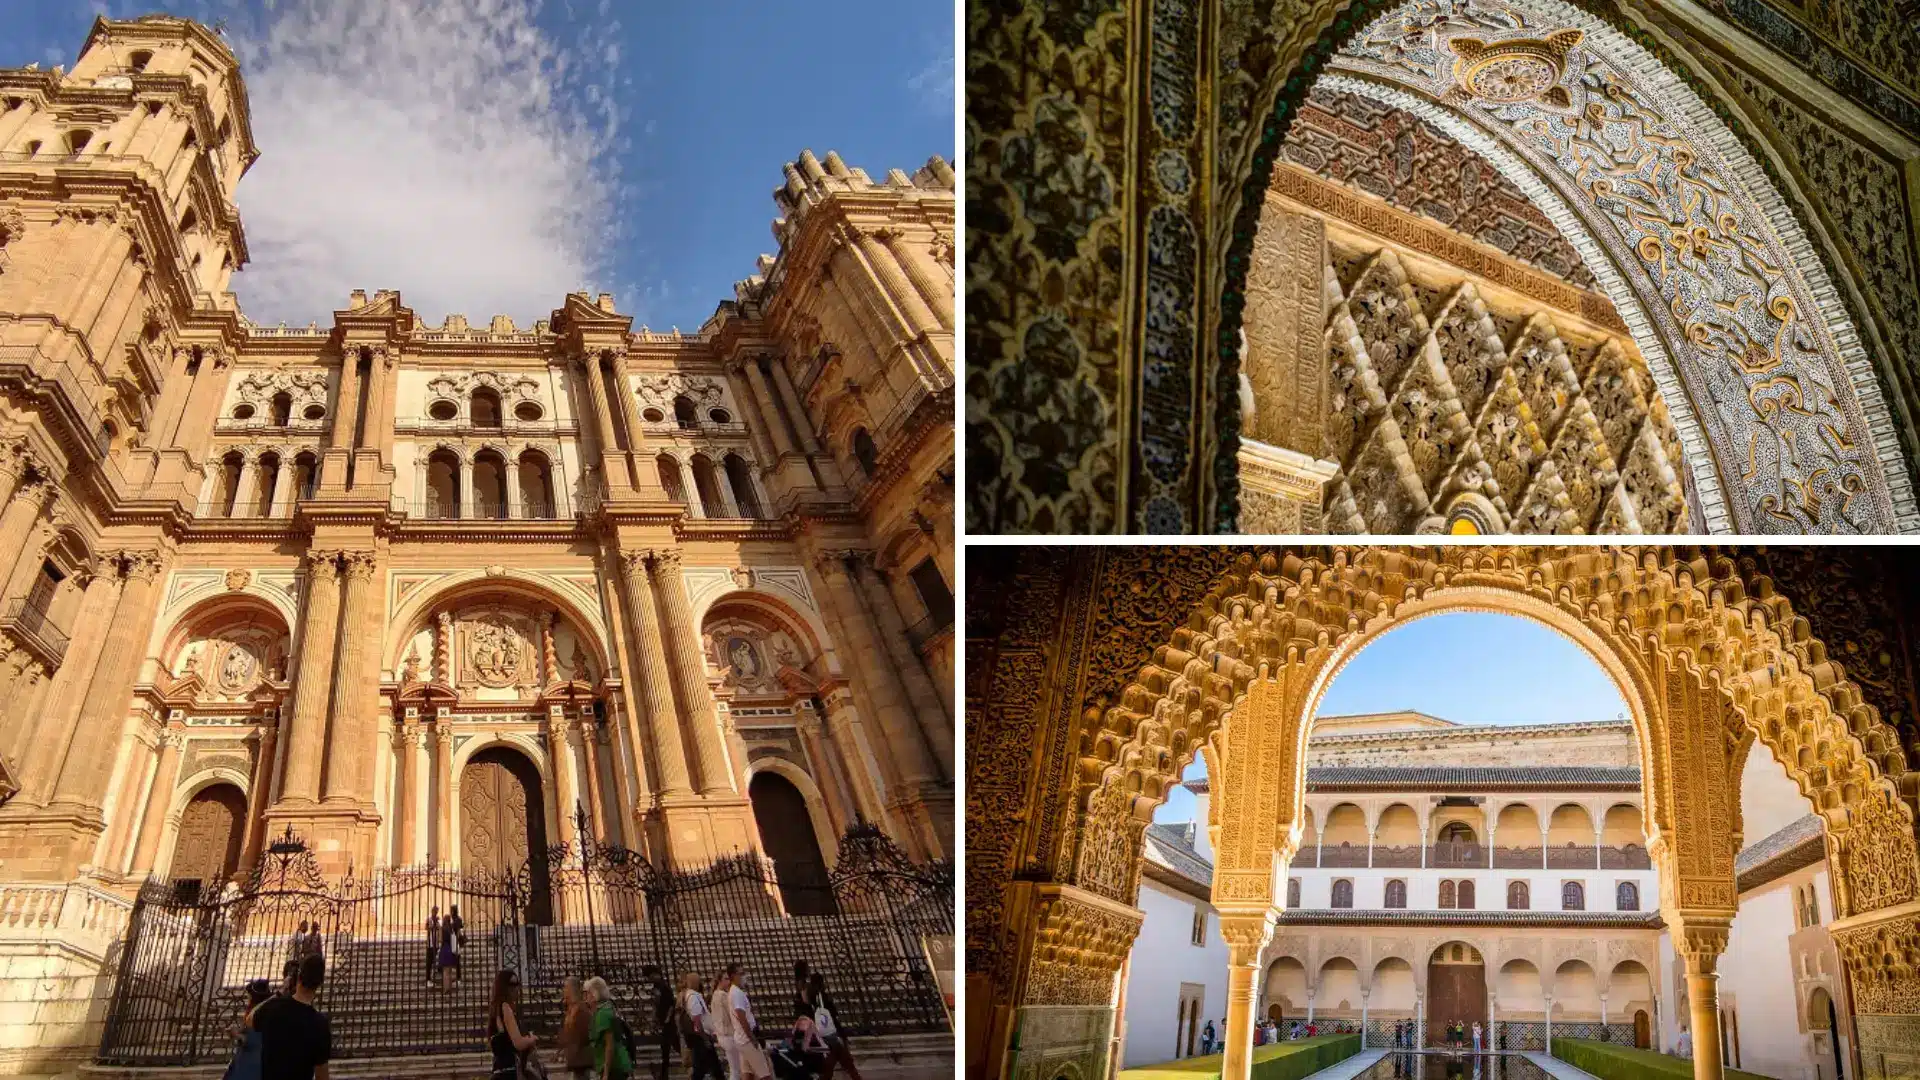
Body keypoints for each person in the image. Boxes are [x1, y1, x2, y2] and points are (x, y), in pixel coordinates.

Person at [252, 952, 331, 1080]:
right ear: (319, 984)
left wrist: (280, 991)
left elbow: (250, 1018)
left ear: (298, 977)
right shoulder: (320, 1024)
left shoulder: (273, 1007)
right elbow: (322, 1076)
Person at [802, 972, 859, 1080]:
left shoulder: (811, 998)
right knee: (847, 1065)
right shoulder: (822, 997)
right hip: (831, 1036)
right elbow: (833, 1017)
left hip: (822, 1037)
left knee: (831, 1067)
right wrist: (842, 1034)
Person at [488, 969, 541, 1080]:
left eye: (517, 984)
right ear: (503, 987)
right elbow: (518, 1043)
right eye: (512, 985)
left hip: (499, 1071)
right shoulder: (505, 1008)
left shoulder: (495, 1010)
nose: (516, 988)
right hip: (509, 1071)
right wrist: (531, 1039)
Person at [725, 963, 773, 1080]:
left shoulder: (734, 992)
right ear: (733, 976)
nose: (743, 976)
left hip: (741, 1039)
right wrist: (752, 1038)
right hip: (747, 1040)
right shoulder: (736, 993)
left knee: (748, 1074)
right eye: (740, 974)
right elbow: (742, 1017)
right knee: (764, 1073)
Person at [222, 979, 272, 1080]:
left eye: (249, 995)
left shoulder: (258, 1013)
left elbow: (253, 1039)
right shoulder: (265, 1010)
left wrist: (237, 1034)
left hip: (252, 1061)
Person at [586, 976, 633, 1080]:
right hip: (614, 1064)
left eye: (588, 993)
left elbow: (609, 1045)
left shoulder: (603, 1014)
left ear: (594, 994)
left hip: (614, 1066)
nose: (586, 996)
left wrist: (606, 1073)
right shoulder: (606, 1007)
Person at [679, 973, 722, 1080]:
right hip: (701, 1037)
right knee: (700, 1068)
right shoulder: (692, 997)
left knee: (713, 1066)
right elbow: (697, 1020)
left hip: (702, 1036)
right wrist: (705, 1038)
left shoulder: (692, 995)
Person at [645, 964, 677, 1080]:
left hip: (669, 1023)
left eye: (650, 976)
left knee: (668, 1047)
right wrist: (654, 1020)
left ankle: (664, 1075)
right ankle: (664, 1074)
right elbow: (655, 1004)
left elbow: (672, 1004)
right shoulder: (656, 987)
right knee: (667, 1048)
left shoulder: (664, 987)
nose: (649, 979)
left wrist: (668, 1018)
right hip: (664, 1022)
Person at [560, 977, 594, 1080]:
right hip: (576, 1061)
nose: (563, 990)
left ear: (572, 989)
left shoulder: (581, 1010)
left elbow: (585, 1035)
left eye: (565, 987)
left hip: (581, 1061)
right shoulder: (571, 1008)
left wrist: (572, 1048)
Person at [438, 904, 464, 993]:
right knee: (449, 970)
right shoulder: (451, 927)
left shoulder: (443, 928)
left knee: (445, 971)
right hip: (452, 947)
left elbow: (440, 940)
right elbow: (458, 933)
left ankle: (446, 988)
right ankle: (451, 986)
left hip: (445, 949)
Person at [426, 907, 442, 988]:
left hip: (436, 944)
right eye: (434, 911)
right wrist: (432, 925)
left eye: (436, 912)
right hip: (430, 944)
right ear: (432, 911)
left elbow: (440, 929)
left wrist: (437, 923)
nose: (435, 913)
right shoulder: (429, 920)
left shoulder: (438, 921)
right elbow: (427, 928)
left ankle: (432, 979)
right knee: (429, 962)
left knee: (434, 962)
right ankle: (428, 979)